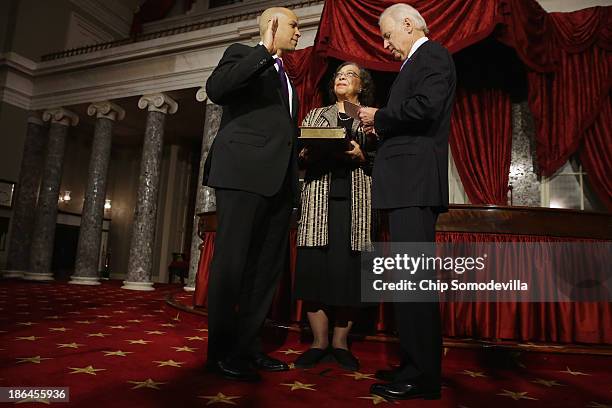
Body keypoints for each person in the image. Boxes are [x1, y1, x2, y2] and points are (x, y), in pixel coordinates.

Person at [358, 3, 456, 401]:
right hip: (404, 185)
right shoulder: (413, 63)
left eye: (386, 35)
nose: (385, 44)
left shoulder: (432, 54)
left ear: (409, 24)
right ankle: (415, 364)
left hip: (414, 185)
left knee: (413, 282)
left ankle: (422, 375)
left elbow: (425, 107)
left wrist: (379, 117)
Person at [202, 7, 301, 382]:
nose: (298, 33)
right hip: (243, 175)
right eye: (293, 25)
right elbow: (218, 90)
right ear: (273, 25)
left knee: (264, 270)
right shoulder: (241, 54)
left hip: (279, 183)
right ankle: (221, 353)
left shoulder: (288, 79)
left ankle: (247, 348)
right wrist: (263, 48)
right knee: (232, 265)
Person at [293, 62, 376, 372]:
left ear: (362, 85)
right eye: (339, 74)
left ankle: (340, 343)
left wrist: (363, 156)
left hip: (356, 202)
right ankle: (318, 342)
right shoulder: (315, 115)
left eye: (350, 74)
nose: (342, 77)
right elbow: (300, 151)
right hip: (318, 200)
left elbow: (384, 157)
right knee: (315, 271)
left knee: (349, 274)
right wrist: (304, 154)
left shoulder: (368, 116)